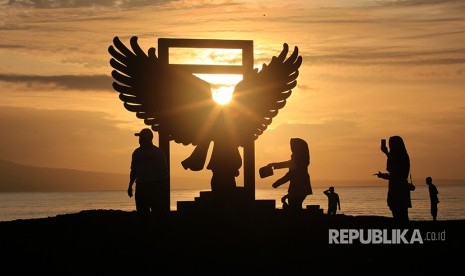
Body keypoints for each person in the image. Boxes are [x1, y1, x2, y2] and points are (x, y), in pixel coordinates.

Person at [128, 128, 169, 219]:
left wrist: (130, 186)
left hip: (153, 186)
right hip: (143, 186)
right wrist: (130, 185)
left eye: (141, 138)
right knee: (143, 214)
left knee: (155, 213)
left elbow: (164, 172)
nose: (139, 140)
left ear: (147, 138)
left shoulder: (157, 153)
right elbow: (134, 171)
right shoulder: (138, 152)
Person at [265, 138, 312, 211]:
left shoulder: (299, 161)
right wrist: (273, 165)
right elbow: (287, 165)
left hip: (298, 187)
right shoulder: (300, 160)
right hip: (300, 188)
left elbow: (290, 175)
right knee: (295, 205)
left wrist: (277, 183)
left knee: (294, 206)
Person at [375, 136, 412, 222]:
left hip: (397, 189)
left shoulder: (399, 157)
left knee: (399, 214)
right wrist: (387, 153)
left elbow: (395, 175)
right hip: (400, 188)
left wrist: (387, 153)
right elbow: (395, 173)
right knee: (401, 214)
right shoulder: (403, 156)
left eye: (391, 144)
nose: (390, 146)